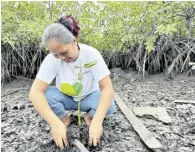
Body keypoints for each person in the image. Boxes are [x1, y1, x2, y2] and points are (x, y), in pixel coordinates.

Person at [29, 15, 116, 150]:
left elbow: (107, 88)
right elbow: (35, 92)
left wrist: (97, 122)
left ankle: (88, 117)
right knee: (44, 95)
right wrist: (54, 123)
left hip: (88, 97)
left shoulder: (91, 54)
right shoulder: (52, 60)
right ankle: (64, 119)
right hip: (65, 98)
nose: (61, 58)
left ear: (74, 41)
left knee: (109, 105)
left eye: (64, 52)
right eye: (56, 55)